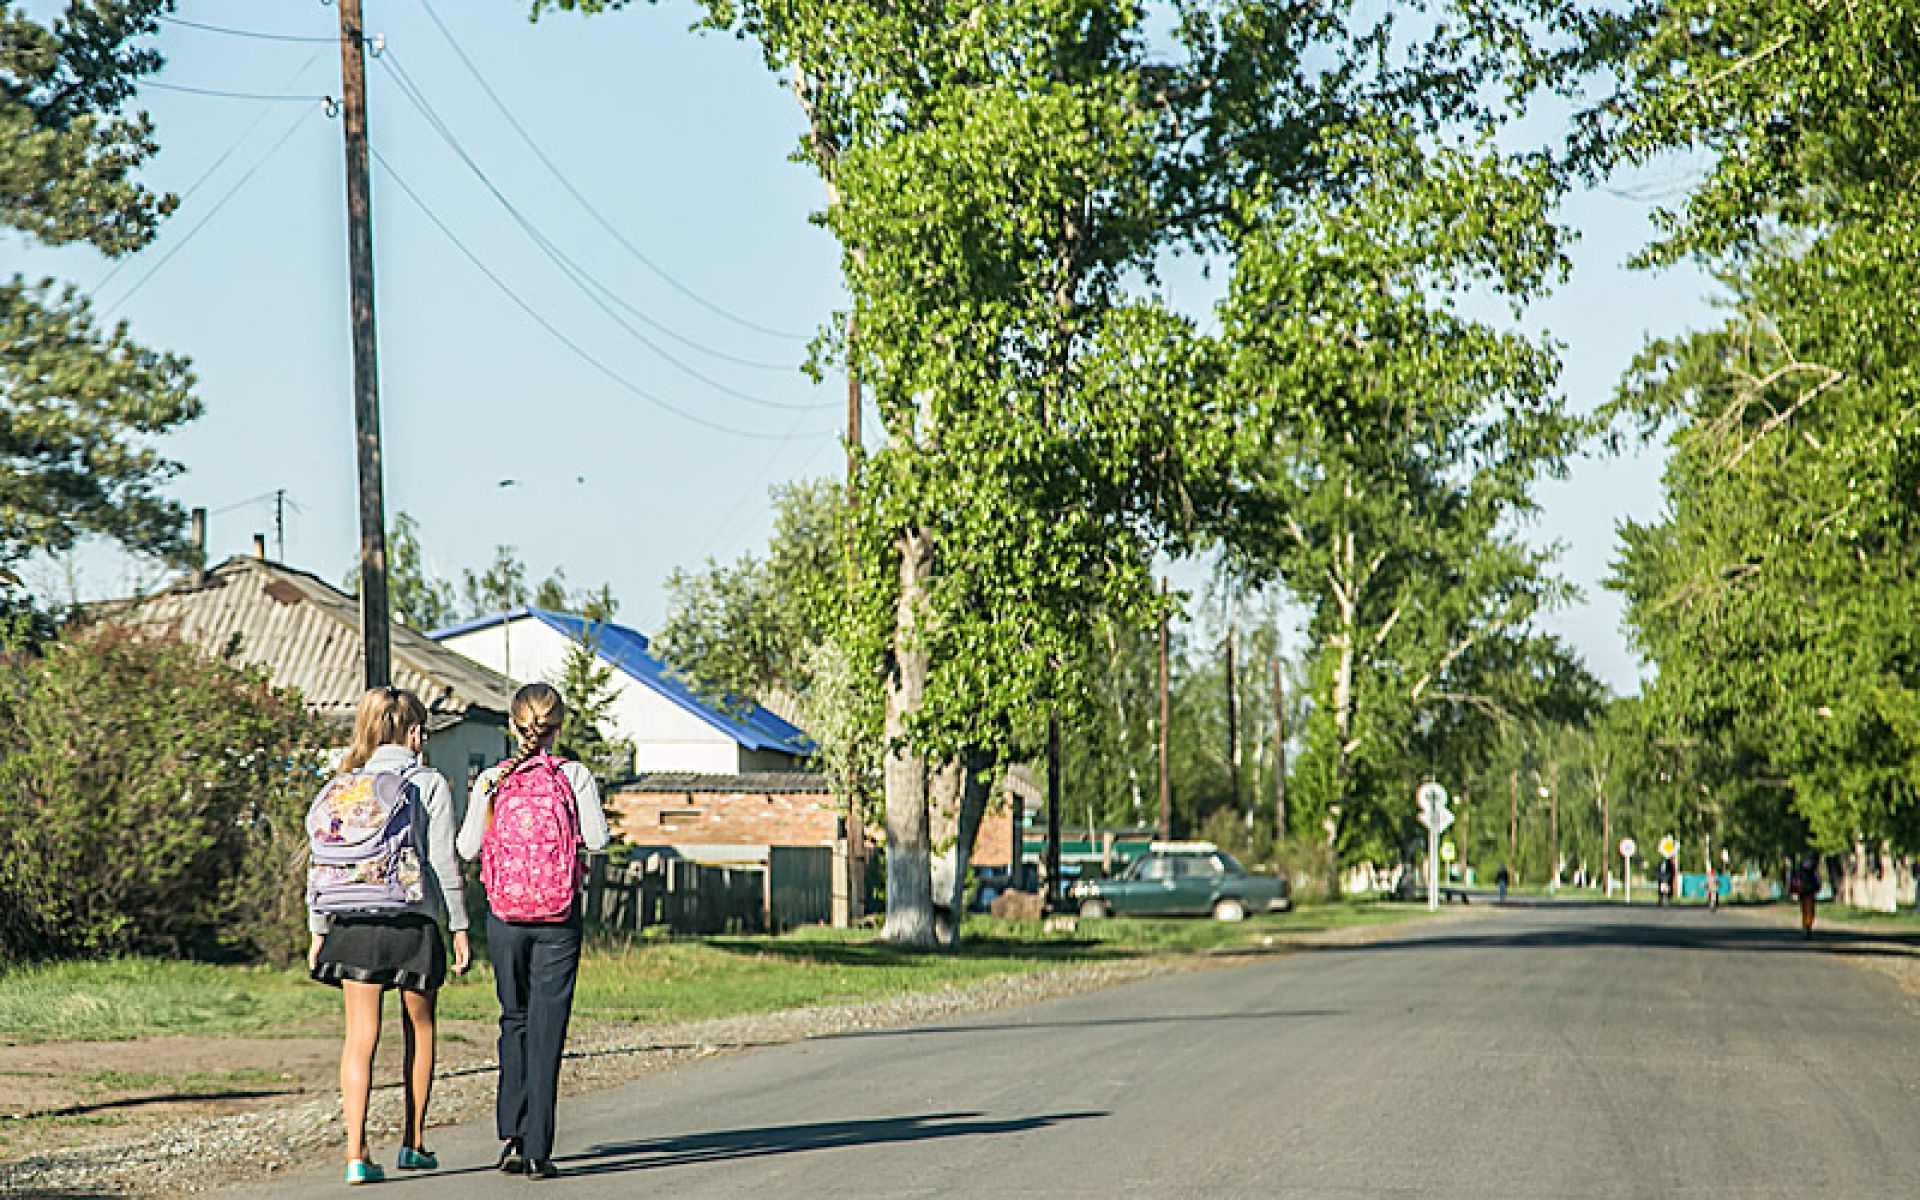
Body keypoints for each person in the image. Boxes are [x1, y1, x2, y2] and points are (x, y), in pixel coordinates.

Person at [308, 687, 471, 1187]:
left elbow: (319, 862)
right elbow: (444, 863)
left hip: (351, 924)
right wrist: (460, 926)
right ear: (416, 732)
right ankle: (413, 1143)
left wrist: (318, 930)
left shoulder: (344, 784)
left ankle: (356, 1154)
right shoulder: (429, 783)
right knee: (418, 1031)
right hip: (412, 923)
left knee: (360, 1039)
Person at [458, 683, 610, 1181]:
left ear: (513, 725)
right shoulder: (573, 775)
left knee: (514, 1020)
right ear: (558, 726)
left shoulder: (492, 779)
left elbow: (466, 849)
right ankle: (540, 1149)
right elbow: (599, 840)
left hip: (504, 916)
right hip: (558, 918)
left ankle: (512, 1136)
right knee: (548, 1029)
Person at [1788, 852, 1821, 937]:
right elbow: (1817, 878)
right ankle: (1808, 925)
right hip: (1810, 890)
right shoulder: (1814, 867)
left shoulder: (1800, 866)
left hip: (1801, 890)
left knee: (1804, 909)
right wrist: (1818, 886)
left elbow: (1794, 877)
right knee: (1810, 909)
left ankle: (1805, 926)